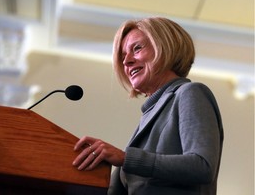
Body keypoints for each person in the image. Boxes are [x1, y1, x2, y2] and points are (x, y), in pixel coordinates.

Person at [72, 17, 224, 195]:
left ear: (165, 47)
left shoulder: (190, 93)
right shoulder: (149, 117)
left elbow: (202, 166)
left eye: (136, 48)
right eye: (122, 57)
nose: (126, 61)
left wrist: (126, 158)